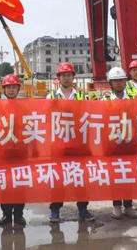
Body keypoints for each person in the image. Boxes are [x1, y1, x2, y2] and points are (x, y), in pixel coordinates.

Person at [46, 62, 94, 223]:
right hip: (59, 144)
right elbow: (46, 118)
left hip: (78, 143)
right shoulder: (51, 97)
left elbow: (88, 117)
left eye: (68, 75)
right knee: (58, 178)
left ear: (73, 77)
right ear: (58, 78)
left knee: (80, 177)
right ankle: (55, 210)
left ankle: (83, 209)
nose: (66, 78)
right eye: (63, 75)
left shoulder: (82, 96)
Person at [103, 66, 137, 220]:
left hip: (129, 141)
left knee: (129, 174)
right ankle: (117, 205)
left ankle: (129, 205)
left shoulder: (133, 98)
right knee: (115, 175)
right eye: (115, 81)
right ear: (110, 83)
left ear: (125, 81)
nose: (118, 83)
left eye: (121, 80)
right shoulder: (105, 100)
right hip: (112, 142)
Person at [0, 73, 27, 228]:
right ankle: (6, 214)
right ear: (4, 89)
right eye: (8, 87)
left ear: (18, 89)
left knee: (20, 183)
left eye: (14, 87)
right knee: (5, 184)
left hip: (20, 151)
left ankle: (19, 214)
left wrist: (34, 148)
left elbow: (30, 128)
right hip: (4, 151)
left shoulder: (24, 108)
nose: (11, 90)